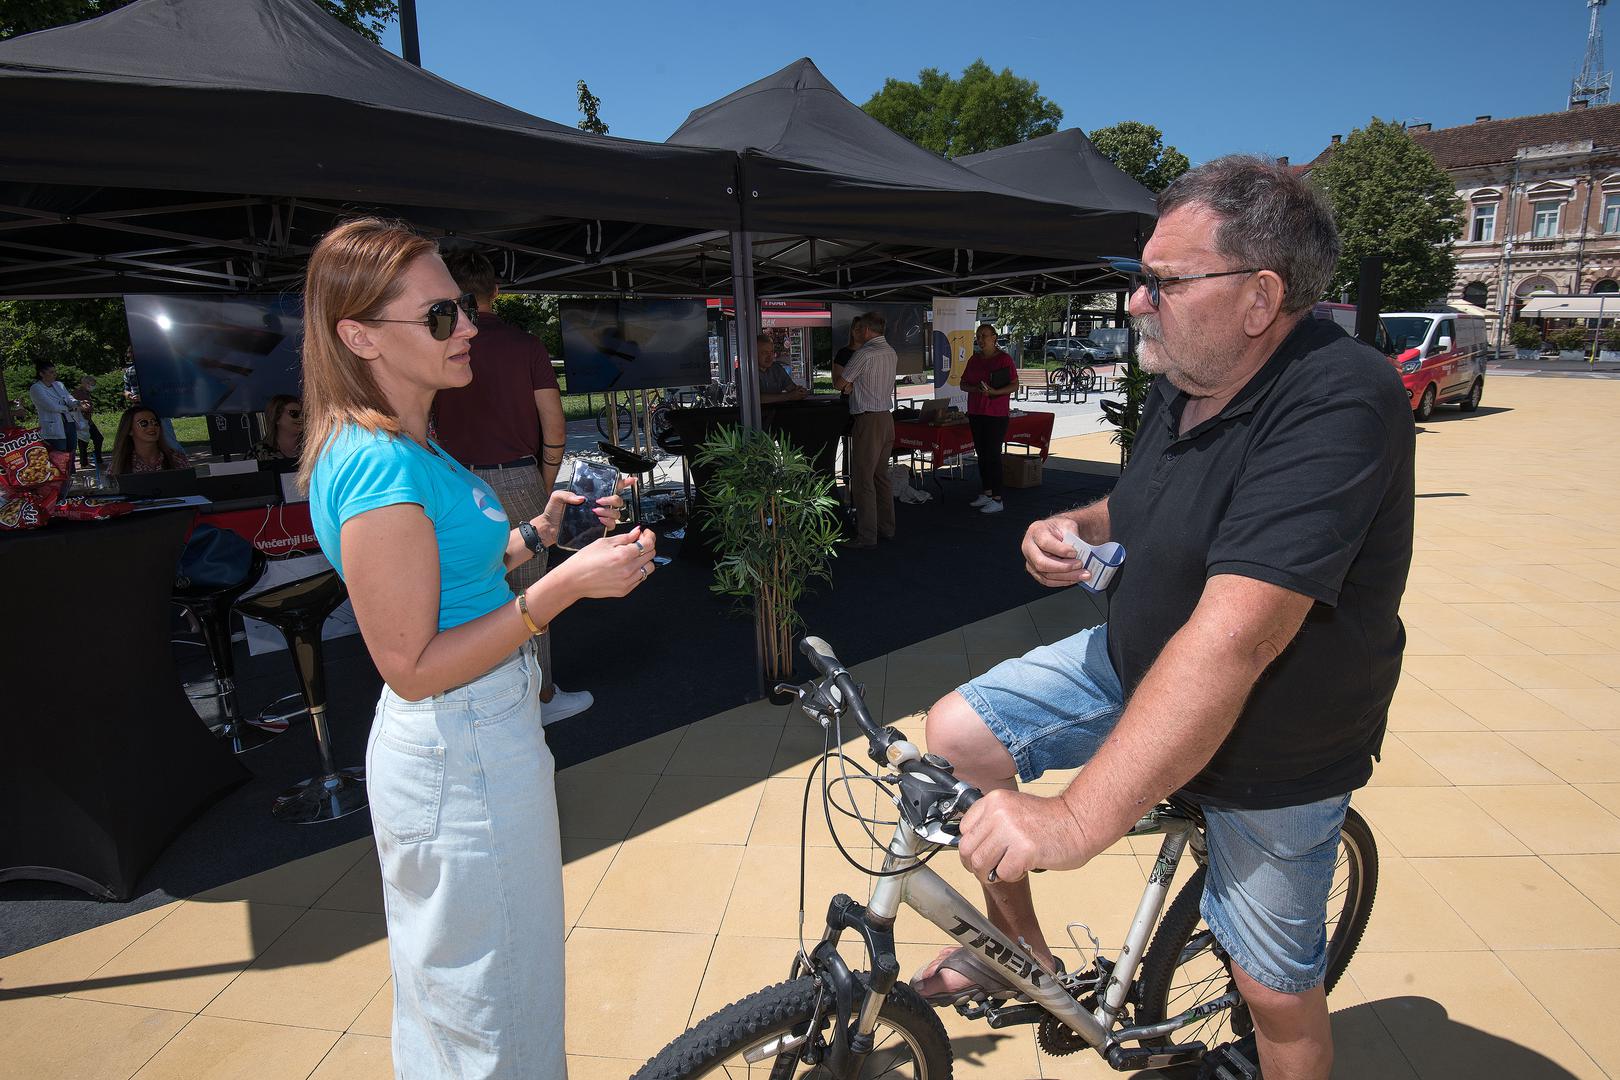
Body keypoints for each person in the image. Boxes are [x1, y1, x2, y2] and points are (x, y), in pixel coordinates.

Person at [908, 157, 1414, 1080]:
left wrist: (1072, 819)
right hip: (1136, 663)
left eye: (1165, 282)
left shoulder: (1342, 399)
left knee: (1273, 994)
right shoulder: (1187, 376)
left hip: (1280, 733)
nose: (1139, 302)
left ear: (1259, 297)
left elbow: (1239, 636)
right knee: (956, 737)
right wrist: (1072, 525)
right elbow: (1141, 509)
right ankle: (1026, 964)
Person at [300, 218, 655, 1078]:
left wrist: (542, 532)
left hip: (475, 739)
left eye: (459, 309)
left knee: (472, 998)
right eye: (438, 317)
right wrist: (558, 592)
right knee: (492, 1012)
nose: (466, 329)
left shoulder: (408, 443)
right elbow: (411, 665)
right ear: (358, 337)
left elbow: (449, 580)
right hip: (459, 746)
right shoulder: (381, 464)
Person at [430, 249, 595, 724]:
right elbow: (556, 426)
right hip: (519, 474)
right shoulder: (526, 345)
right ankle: (539, 699)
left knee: (467, 586)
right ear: (495, 292)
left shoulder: (437, 348)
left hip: (455, 480)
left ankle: (482, 694)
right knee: (531, 591)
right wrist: (543, 482)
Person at [834, 312, 898, 548]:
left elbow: (841, 383)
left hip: (868, 419)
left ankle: (867, 535)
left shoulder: (864, 353)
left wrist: (851, 384)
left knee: (863, 479)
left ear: (867, 330)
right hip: (885, 418)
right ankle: (886, 528)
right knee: (881, 477)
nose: (856, 333)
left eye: (859, 329)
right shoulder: (890, 351)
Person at [958, 323, 1018, 514]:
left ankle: (997, 498)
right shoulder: (974, 359)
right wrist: (976, 389)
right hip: (976, 411)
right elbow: (963, 384)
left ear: (994, 337)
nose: (981, 339)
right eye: (978, 336)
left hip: (996, 414)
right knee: (982, 454)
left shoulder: (1004, 359)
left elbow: (1015, 385)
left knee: (993, 454)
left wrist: (995, 392)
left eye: (984, 335)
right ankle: (987, 492)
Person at [28, 361, 80, 490]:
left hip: (68, 422)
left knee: (71, 449)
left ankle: (71, 479)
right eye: (51, 372)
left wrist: (77, 403)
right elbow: (51, 407)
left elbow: (69, 398)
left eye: (54, 371)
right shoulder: (36, 388)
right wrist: (68, 408)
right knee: (59, 454)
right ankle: (59, 483)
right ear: (41, 374)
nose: (54, 374)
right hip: (53, 426)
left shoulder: (59, 385)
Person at [121, 346, 181, 448]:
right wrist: (129, 395)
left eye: (131, 352)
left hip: (156, 407)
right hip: (138, 408)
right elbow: (126, 389)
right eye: (129, 353)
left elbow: (159, 387)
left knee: (168, 438)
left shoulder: (152, 368)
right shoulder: (129, 371)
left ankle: (180, 460)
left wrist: (143, 396)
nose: (129, 355)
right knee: (141, 438)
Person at [109, 405, 190, 475]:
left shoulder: (177, 459)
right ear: (130, 430)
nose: (152, 427)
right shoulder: (119, 464)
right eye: (143, 423)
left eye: (155, 422)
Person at [755, 332, 808, 404]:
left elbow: (791, 388)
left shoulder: (777, 369)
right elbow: (756, 399)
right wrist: (788, 396)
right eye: (764, 352)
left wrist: (800, 392)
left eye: (771, 352)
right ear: (754, 354)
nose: (770, 356)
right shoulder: (748, 372)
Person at [254, 393, 304, 462]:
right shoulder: (259, 452)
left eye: (304, 414)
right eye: (294, 413)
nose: (301, 418)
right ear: (277, 417)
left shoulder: (312, 449)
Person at [73, 377, 104, 472]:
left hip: (87, 420)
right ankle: (85, 462)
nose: (93, 386)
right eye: (91, 384)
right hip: (82, 420)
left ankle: (96, 458)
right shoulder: (79, 393)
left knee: (96, 438)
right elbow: (84, 407)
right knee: (84, 441)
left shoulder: (85, 392)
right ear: (85, 383)